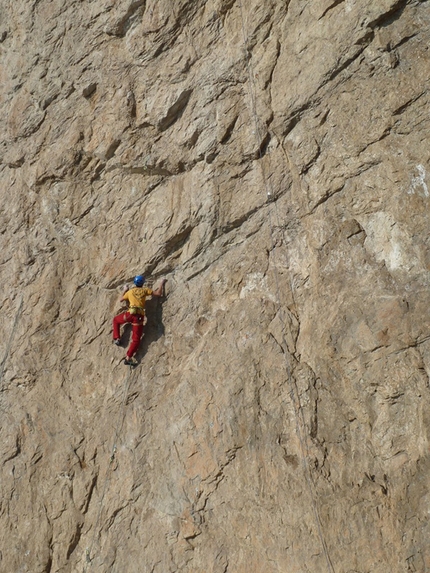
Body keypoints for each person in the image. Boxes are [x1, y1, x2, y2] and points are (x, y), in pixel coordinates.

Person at [113, 275, 166, 365]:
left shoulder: (130, 292)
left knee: (116, 320)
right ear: (142, 283)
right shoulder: (145, 290)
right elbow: (158, 294)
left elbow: (121, 300)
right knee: (136, 340)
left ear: (134, 283)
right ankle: (128, 358)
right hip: (138, 318)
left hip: (130, 314)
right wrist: (162, 283)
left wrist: (125, 289)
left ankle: (117, 338)